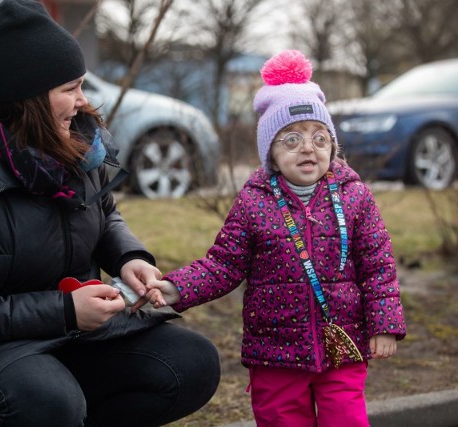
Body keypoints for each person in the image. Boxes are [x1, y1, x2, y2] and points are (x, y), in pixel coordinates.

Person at [0, 1, 220, 426]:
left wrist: (130, 259)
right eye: (70, 88)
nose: (82, 101)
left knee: (192, 363)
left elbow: (103, 215)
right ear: (30, 97)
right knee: (49, 403)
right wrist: (65, 310)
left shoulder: (73, 141)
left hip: (72, 334)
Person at [147, 50, 407, 427]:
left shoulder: (354, 196)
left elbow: (378, 264)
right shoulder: (254, 202)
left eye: (320, 138)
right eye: (292, 140)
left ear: (332, 146)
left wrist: (384, 324)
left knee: (346, 419)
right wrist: (175, 288)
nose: (307, 147)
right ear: (270, 150)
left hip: (342, 343)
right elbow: (222, 264)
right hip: (275, 351)